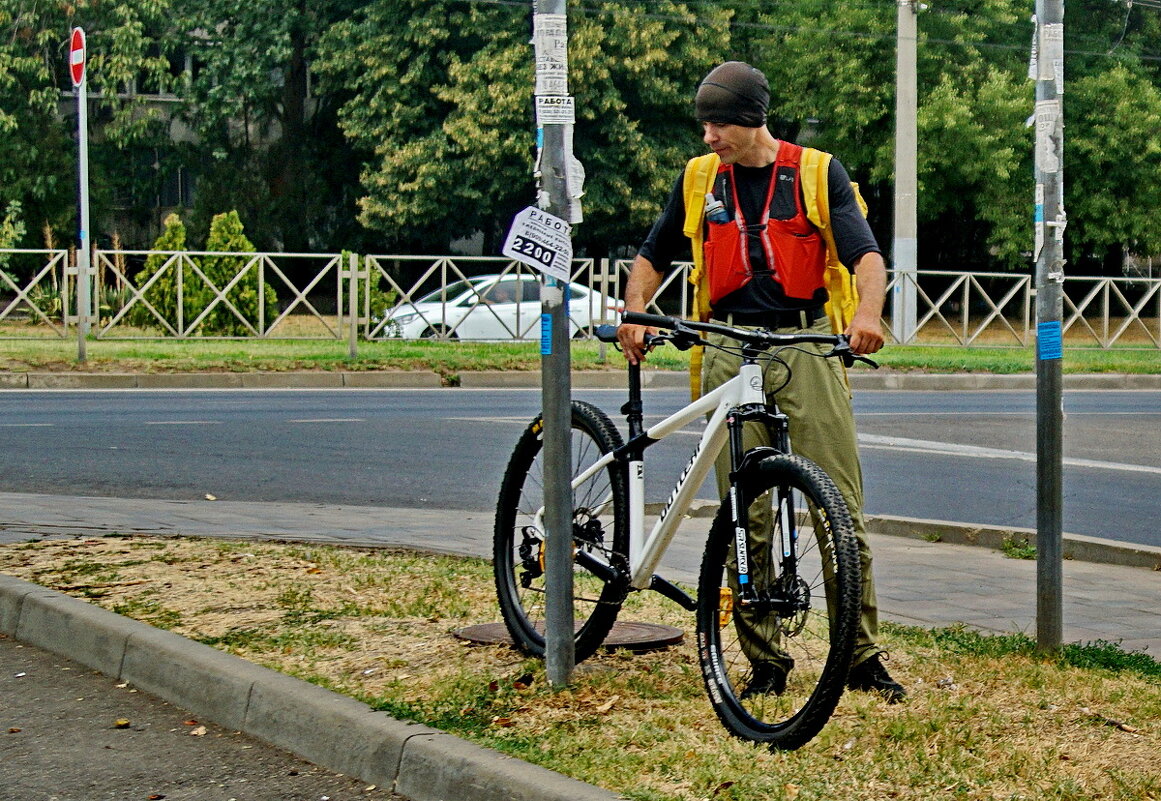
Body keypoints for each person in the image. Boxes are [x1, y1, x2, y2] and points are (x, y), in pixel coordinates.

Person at [616, 61, 905, 703]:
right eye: (705, 124)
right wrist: (634, 310)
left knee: (838, 505)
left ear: (751, 119)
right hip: (727, 342)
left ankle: (859, 655)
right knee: (745, 511)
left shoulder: (814, 170)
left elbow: (866, 256)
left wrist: (866, 315)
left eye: (717, 123)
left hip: (803, 341)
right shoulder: (699, 178)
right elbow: (652, 253)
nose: (709, 136)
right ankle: (764, 660)